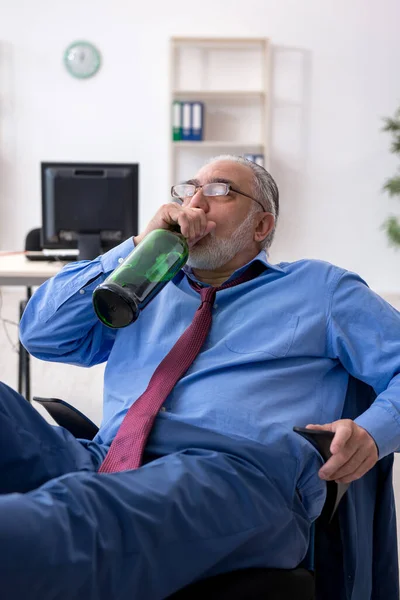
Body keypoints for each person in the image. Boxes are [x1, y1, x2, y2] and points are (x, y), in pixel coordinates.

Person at [1, 154, 399, 600]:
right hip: (106, 458)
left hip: (236, 477)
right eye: (190, 189)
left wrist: (372, 433)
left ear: (261, 226)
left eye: (218, 190)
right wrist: (138, 246)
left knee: (72, 519)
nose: (195, 202)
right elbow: (41, 334)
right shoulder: (142, 285)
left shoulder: (320, 289)